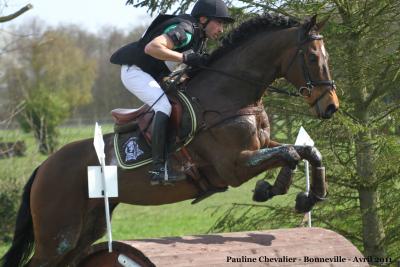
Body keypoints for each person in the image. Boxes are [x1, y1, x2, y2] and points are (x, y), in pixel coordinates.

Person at [110, 0, 234, 185]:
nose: (221, 29)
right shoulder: (186, 29)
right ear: (203, 19)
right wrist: (184, 57)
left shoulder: (199, 38)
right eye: (219, 22)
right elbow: (152, 48)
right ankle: (158, 169)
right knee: (164, 106)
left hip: (153, 74)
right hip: (134, 72)